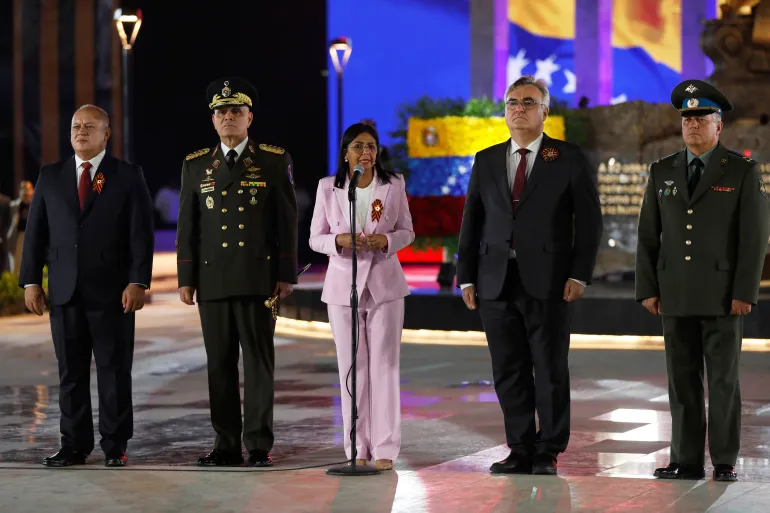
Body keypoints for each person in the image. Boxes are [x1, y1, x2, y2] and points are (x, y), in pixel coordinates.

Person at [456, 75, 603, 475]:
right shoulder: (486, 159)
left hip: (550, 280)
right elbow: (473, 220)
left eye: (528, 101)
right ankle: (519, 447)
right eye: (512, 102)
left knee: (550, 368)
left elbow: (589, 223)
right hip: (494, 280)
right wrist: (466, 277)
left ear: (545, 111)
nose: (518, 108)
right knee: (508, 368)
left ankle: (548, 450)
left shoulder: (568, 157)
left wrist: (580, 274)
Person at [636, 80, 770, 482]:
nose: (693, 124)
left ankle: (725, 460)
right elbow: (649, 234)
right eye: (687, 118)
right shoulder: (662, 171)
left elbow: (754, 237)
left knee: (724, 382)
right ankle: (686, 459)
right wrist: (648, 288)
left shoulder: (742, 171)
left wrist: (745, 291)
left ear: (719, 126)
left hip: (723, 295)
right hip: (674, 292)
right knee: (682, 382)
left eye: (702, 118)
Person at [18, 104, 154, 468]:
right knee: (70, 374)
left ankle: (114, 445)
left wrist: (138, 281)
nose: (81, 132)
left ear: (106, 134)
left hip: (113, 294)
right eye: (76, 126)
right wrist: (31, 281)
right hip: (64, 292)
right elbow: (35, 236)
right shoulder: (51, 176)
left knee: (113, 370)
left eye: (90, 126)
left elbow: (141, 234)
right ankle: (74, 445)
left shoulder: (126, 176)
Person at [176, 77, 298, 467]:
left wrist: (286, 273)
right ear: (213, 120)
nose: (228, 118)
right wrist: (186, 277)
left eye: (236, 112)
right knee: (219, 364)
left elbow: (286, 221)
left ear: (250, 118)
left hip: (257, 277)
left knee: (259, 363)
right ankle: (226, 444)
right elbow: (187, 226)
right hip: (212, 280)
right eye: (221, 112)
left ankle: (259, 444)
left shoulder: (273, 160)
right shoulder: (196, 165)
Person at [309, 122, 414, 470]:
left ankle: (385, 449)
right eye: (358, 146)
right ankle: (357, 448)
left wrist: (386, 241)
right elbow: (315, 238)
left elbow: (407, 231)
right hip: (343, 286)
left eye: (371, 146)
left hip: (385, 284)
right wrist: (337, 242)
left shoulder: (393, 184)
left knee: (385, 365)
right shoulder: (329, 188)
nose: (365, 153)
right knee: (351, 367)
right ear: (345, 153)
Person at [6, 180, 34, 273]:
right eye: (24, 189)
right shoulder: (15, 206)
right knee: (17, 265)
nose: (27, 192)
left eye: (29, 189)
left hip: (32, 237)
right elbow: (10, 224)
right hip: (19, 237)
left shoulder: (36, 205)